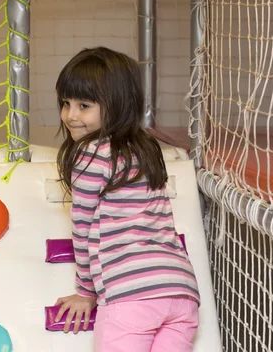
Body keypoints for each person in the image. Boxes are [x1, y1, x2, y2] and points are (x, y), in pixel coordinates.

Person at [53, 46, 200, 352]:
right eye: (66, 103)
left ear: (117, 105)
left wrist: (85, 291)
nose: (70, 115)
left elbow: (82, 226)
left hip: (131, 294)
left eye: (84, 105)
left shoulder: (91, 153)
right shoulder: (147, 149)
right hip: (181, 290)